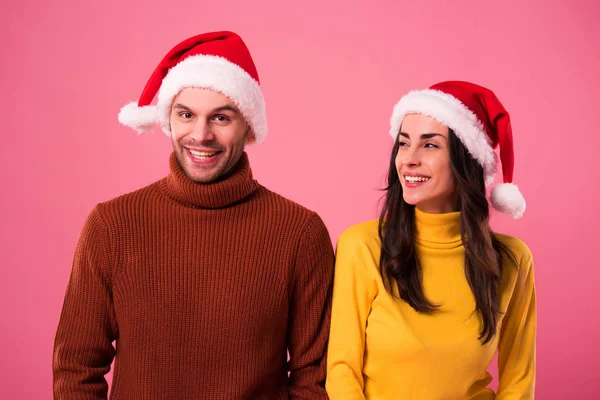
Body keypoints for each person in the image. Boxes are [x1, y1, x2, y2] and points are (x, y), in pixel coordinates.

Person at [53, 31, 334, 399]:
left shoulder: (299, 233)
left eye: (220, 117)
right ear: (168, 118)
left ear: (248, 125)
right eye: (186, 114)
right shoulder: (111, 225)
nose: (201, 135)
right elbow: (75, 368)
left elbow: (313, 377)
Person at [326, 81, 536, 399]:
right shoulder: (362, 246)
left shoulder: (512, 259)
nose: (408, 159)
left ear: (466, 161)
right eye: (403, 143)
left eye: (430, 145)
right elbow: (342, 369)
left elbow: (518, 381)